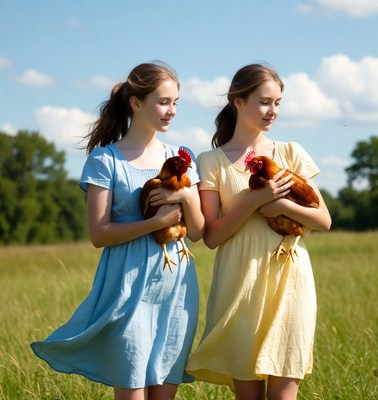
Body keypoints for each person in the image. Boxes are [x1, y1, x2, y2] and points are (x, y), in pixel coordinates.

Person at [31, 62, 205, 400]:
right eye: (163, 102)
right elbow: (99, 234)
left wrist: (185, 195)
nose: (171, 111)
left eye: (176, 102)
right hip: (127, 284)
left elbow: (197, 232)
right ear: (136, 104)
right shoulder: (105, 160)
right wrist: (156, 223)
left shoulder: (181, 158)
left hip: (176, 288)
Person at [185, 63, 331, 400]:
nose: (273, 111)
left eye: (278, 102)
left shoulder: (290, 152)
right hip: (241, 280)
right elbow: (212, 236)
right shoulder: (211, 161)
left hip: (290, 278)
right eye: (265, 102)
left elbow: (322, 219)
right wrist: (255, 200)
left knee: (284, 392)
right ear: (238, 101)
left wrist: (280, 206)